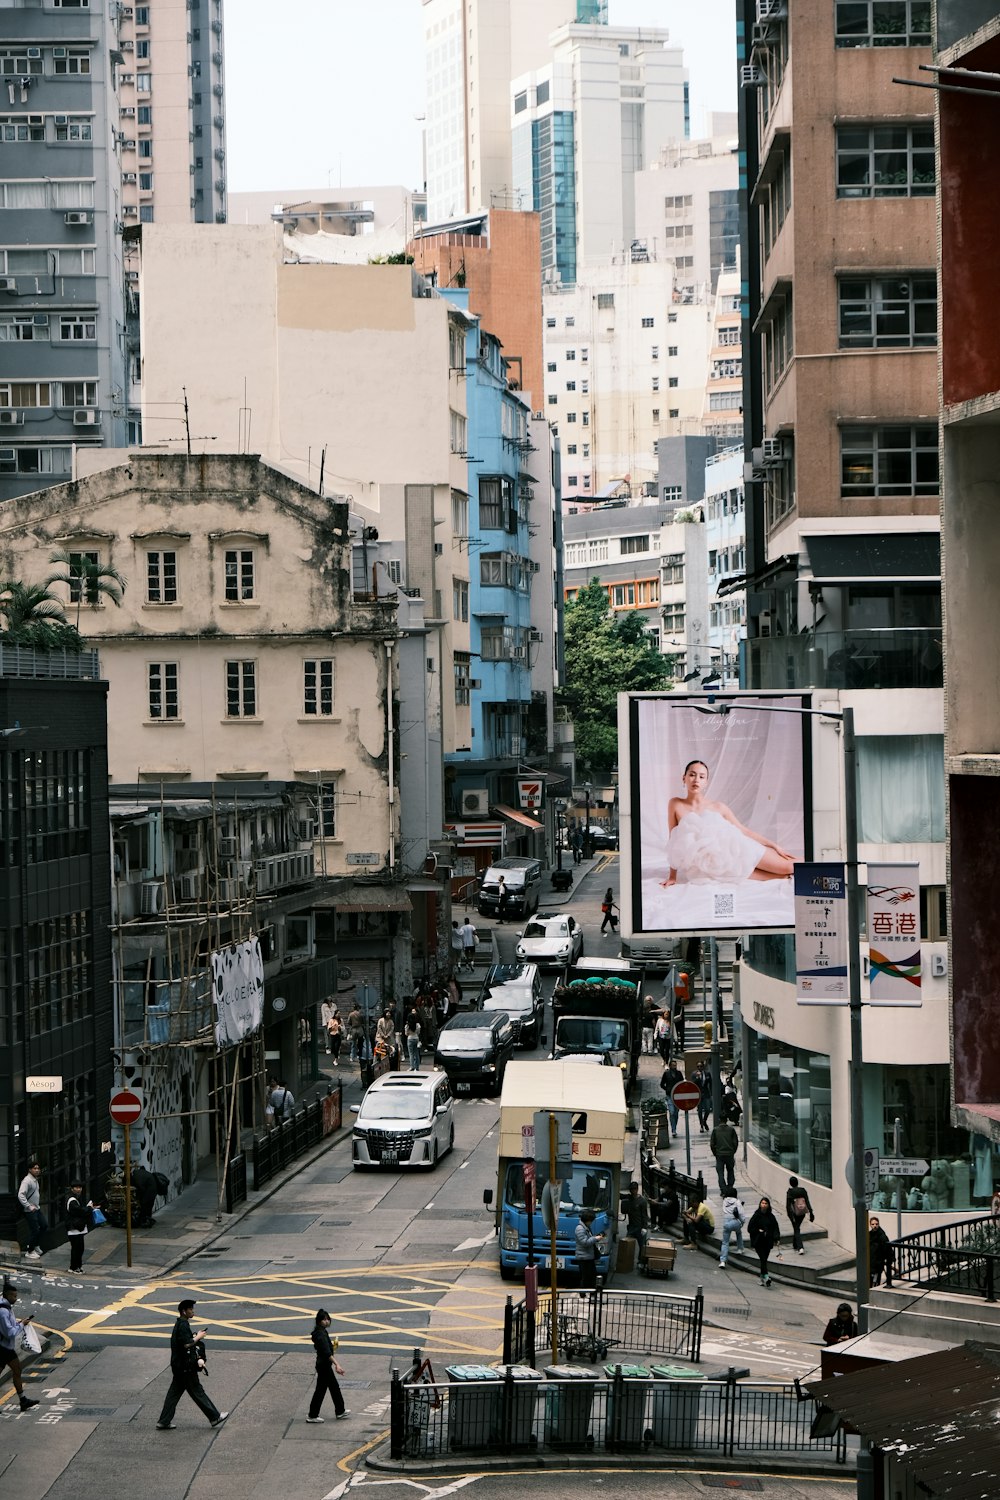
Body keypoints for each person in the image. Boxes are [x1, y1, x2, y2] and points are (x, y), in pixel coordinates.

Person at [661, 759, 796, 887]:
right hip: (720, 866)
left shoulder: (718, 807)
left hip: (742, 849)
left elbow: (744, 831)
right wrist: (673, 877)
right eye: (692, 775)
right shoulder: (675, 804)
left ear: (706, 782)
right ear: (683, 778)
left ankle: (813, 861)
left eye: (702, 777)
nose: (696, 780)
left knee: (788, 867)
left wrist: (774, 845)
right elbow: (674, 841)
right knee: (781, 876)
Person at [156, 1299, 227, 1430]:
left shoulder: (181, 1324)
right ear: (184, 1311)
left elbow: (184, 1340)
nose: (193, 1311)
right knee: (197, 1391)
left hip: (178, 1366)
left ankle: (164, 1421)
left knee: (174, 1394)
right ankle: (214, 1417)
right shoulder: (183, 1325)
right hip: (185, 1367)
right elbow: (186, 1344)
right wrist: (198, 1337)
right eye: (191, 1309)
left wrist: (194, 1336)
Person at [0, 1280, 39, 1411]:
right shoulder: (3, 1311)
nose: (16, 1299)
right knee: (16, 1370)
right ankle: (23, 1400)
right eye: (13, 1296)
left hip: (7, 1348)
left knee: (17, 1370)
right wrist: (22, 1325)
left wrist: (20, 1323)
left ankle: (23, 1400)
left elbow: (10, 1327)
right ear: (6, 1295)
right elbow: (10, 1333)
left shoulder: (7, 1308)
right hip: (2, 1348)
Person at [307, 1308, 350, 1422]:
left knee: (331, 1388)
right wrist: (337, 1364)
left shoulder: (321, 1331)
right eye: (324, 1319)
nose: (326, 1321)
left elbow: (326, 1350)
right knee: (324, 1390)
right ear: (319, 1321)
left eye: (328, 1319)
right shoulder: (320, 1334)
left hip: (323, 1365)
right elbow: (326, 1353)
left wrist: (332, 1348)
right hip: (324, 1366)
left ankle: (339, 1411)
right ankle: (313, 1415)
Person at [747, 1196, 781, 1286]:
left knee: (764, 1259)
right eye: (762, 1203)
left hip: (768, 1241)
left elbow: (775, 1228)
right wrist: (758, 1230)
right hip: (758, 1241)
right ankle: (766, 1276)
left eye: (766, 1203)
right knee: (763, 1258)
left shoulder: (771, 1217)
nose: (764, 1205)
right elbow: (750, 1228)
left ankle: (762, 1278)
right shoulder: (756, 1215)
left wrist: (777, 1238)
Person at [18, 1161, 46, 1260]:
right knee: (35, 1230)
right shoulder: (27, 1181)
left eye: (38, 1168)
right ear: (30, 1170)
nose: (37, 1170)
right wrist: (28, 1206)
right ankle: (30, 1251)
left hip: (36, 1209)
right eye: (35, 1168)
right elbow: (21, 1195)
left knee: (44, 1225)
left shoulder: (35, 1179)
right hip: (30, 1210)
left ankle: (36, 1244)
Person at [620, 1181, 650, 1268]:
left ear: (637, 1189)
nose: (633, 1191)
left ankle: (640, 1262)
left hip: (640, 1227)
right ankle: (626, 1261)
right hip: (632, 1227)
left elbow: (644, 1215)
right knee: (627, 1245)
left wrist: (644, 1227)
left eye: (635, 1189)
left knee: (642, 1246)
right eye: (632, 1189)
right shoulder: (629, 1198)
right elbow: (620, 1196)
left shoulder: (642, 1201)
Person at [66, 1179, 93, 1273]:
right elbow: (80, 1211)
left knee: (79, 1248)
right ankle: (74, 1267)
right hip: (74, 1228)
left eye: (80, 1187)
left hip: (77, 1228)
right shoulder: (72, 1200)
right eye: (76, 1187)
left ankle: (77, 1266)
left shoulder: (77, 1199)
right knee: (77, 1248)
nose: (78, 1189)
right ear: (72, 1189)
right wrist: (89, 1208)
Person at [574, 1207, 604, 1288]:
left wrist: (596, 1238)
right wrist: (595, 1238)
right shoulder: (580, 1228)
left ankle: (590, 1292)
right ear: (587, 1220)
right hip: (584, 1257)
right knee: (585, 1277)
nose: (591, 1223)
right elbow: (585, 1242)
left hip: (588, 1256)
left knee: (591, 1276)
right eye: (591, 1221)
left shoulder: (585, 1227)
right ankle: (583, 1294)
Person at [785, 1175, 815, 1255]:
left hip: (794, 1213)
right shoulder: (803, 1190)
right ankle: (795, 1245)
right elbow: (807, 1202)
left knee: (796, 1229)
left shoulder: (790, 1192)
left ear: (790, 1183)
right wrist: (811, 1213)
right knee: (797, 1227)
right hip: (802, 1213)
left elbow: (788, 1205)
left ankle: (800, 1247)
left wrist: (790, 1216)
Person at [710, 1117, 739, 1197]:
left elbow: (712, 1144)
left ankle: (723, 1190)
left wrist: (715, 1153)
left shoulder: (715, 1130)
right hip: (729, 1154)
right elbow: (735, 1142)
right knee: (730, 1171)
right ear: (726, 1120)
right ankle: (730, 1188)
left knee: (720, 1173)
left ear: (720, 1120)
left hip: (720, 1154)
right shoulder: (731, 1130)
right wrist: (733, 1151)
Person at [719, 1193, 747, 1267]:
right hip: (735, 1222)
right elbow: (741, 1213)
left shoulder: (724, 1201)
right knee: (738, 1233)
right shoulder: (737, 1201)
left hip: (726, 1223)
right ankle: (740, 1248)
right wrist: (742, 1222)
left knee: (725, 1242)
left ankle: (723, 1261)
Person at [869, 1216, 894, 1288]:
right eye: (873, 1224)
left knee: (876, 1280)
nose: (875, 1226)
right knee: (871, 1279)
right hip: (871, 1261)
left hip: (878, 1261)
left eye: (876, 1224)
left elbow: (887, 1248)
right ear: (870, 1225)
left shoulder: (882, 1236)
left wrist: (888, 1258)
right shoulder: (869, 1235)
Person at [660, 1060, 684, 1136]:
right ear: (670, 1066)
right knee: (672, 1112)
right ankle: (673, 1129)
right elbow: (662, 1084)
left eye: (675, 1065)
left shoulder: (679, 1073)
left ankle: (675, 1127)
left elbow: (682, 1083)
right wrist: (667, 1089)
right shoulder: (666, 1074)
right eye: (673, 1065)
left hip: (677, 1096)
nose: (674, 1067)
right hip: (669, 1096)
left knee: (676, 1113)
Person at [691, 1063, 711, 1132]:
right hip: (698, 1094)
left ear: (703, 1067)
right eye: (698, 1066)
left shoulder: (707, 1074)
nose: (700, 1068)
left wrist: (711, 1093)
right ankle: (701, 1125)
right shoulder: (694, 1074)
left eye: (701, 1066)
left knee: (708, 1109)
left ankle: (704, 1121)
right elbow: (693, 1083)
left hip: (706, 1093)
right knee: (699, 1110)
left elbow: (710, 1083)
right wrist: (697, 1077)